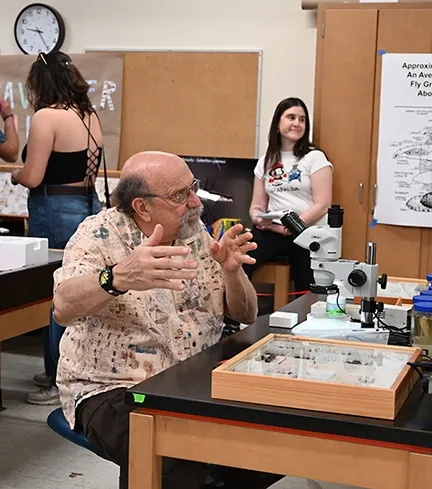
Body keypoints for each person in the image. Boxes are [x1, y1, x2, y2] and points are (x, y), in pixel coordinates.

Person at [52, 151, 284, 489]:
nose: (194, 201)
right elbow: (63, 306)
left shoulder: (195, 233)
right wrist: (117, 278)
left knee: (271, 443)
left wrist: (233, 274)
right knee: (172, 453)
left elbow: (245, 313)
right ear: (142, 206)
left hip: (191, 382)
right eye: (180, 195)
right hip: (112, 388)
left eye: (193, 188)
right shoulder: (99, 234)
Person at [11, 51, 105, 405]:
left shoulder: (46, 117)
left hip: (53, 209)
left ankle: (55, 378)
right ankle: (69, 371)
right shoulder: (88, 114)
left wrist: (18, 175)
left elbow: (33, 175)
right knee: (81, 290)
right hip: (87, 205)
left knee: (55, 293)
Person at [243, 97, 333, 296]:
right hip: (272, 231)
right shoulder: (265, 161)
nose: (297, 123)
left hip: (306, 232)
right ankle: (233, 321)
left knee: (308, 288)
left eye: (302, 119)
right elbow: (257, 205)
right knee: (239, 263)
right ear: (277, 123)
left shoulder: (315, 157)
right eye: (291, 117)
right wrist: (258, 218)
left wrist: (290, 228)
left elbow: (322, 204)